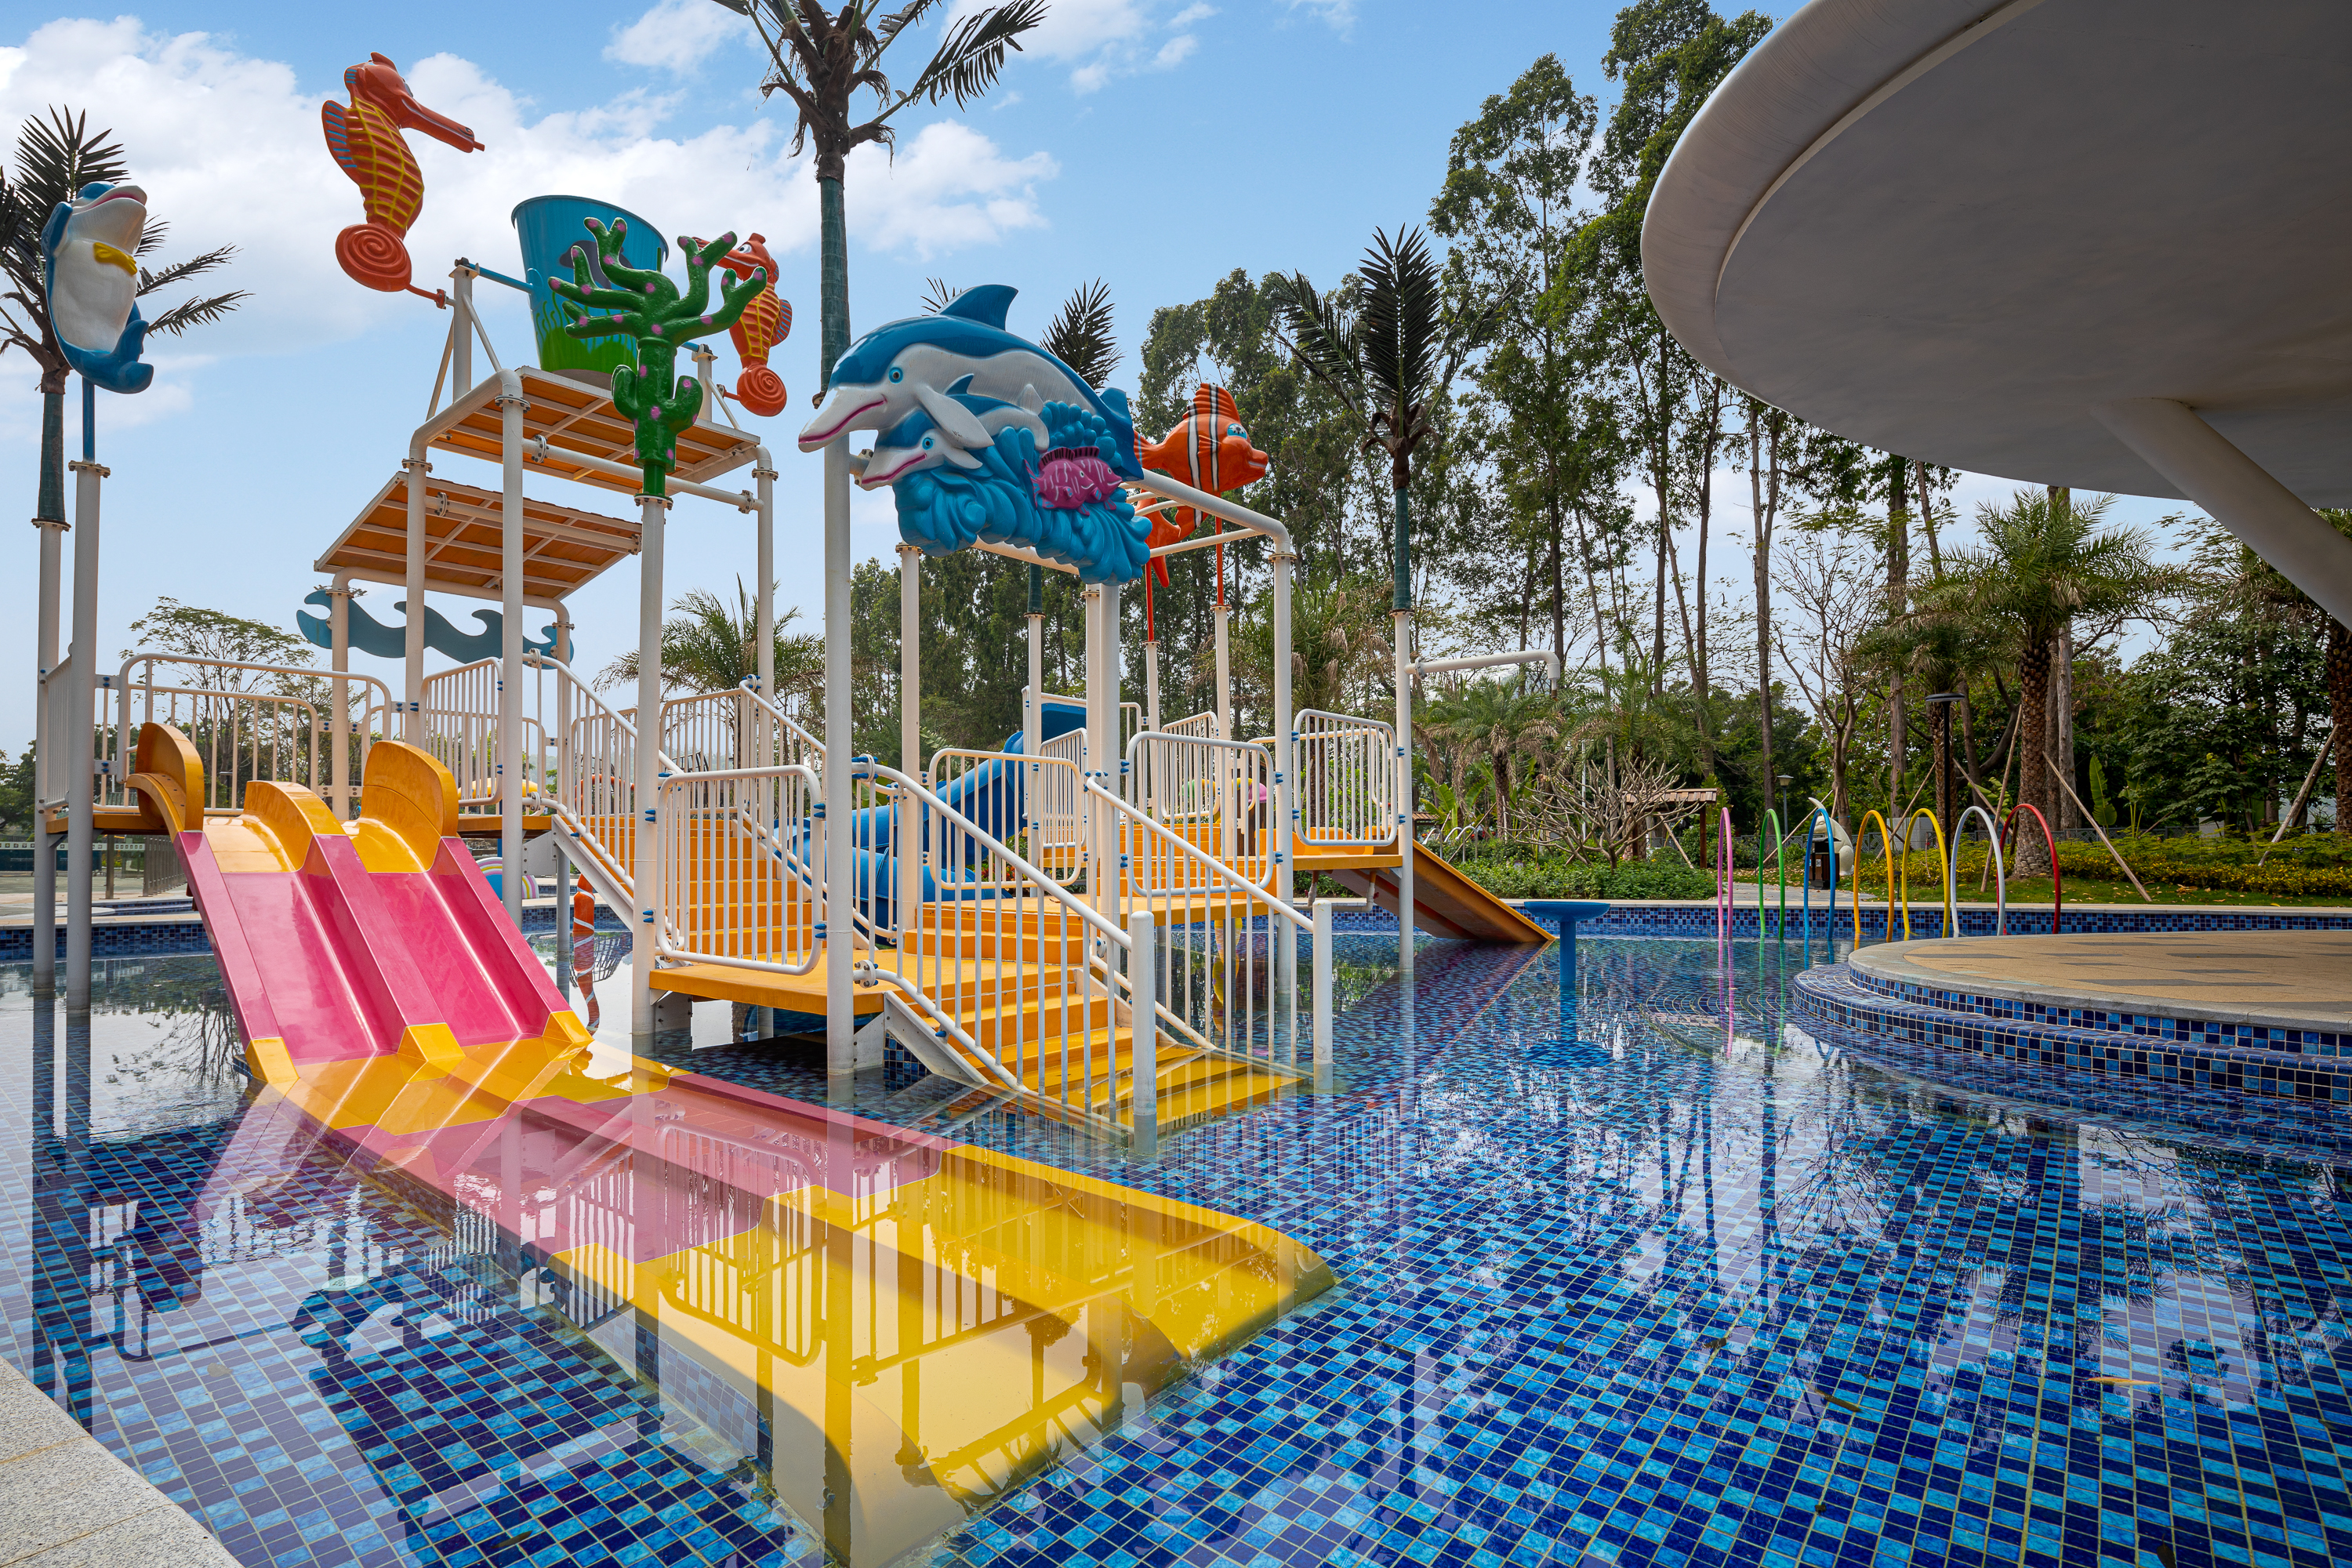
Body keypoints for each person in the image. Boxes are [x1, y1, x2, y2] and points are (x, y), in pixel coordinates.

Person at [571, 874, 601, 1029]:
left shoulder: (583, 897)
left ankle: (593, 1023)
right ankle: (593, 1023)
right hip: (583, 954)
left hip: (584, 952)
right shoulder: (583, 897)